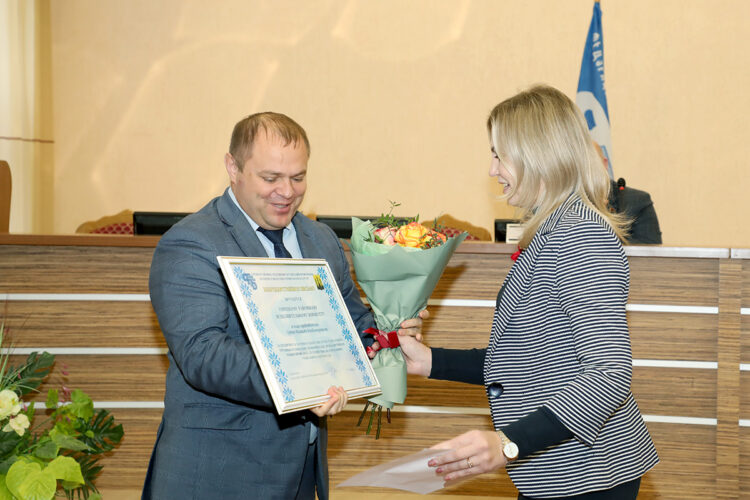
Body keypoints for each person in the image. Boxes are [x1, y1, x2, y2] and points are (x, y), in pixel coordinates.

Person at [141, 112, 424, 499]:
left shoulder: (320, 239)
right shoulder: (191, 243)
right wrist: (304, 388)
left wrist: (389, 329)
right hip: (217, 473)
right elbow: (203, 354)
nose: (287, 192)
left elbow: (351, 324)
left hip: (301, 472)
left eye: (298, 177)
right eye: (271, 178)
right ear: (232, 167)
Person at [399, 85, 659, 499]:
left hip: (588, 475)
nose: (492, 169)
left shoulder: (581, 236)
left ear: (538, 155)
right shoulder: (552, 231)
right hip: (558, 470)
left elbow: (609, 375)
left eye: (499, 154)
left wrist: (508, 443)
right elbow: (524, 360)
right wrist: (430, 361)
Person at [594, 143, 662, 244]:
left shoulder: (637, 201)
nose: (586, 172)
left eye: (590, 164)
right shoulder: (564, 202)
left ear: (604, 164)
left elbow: (650, 253)